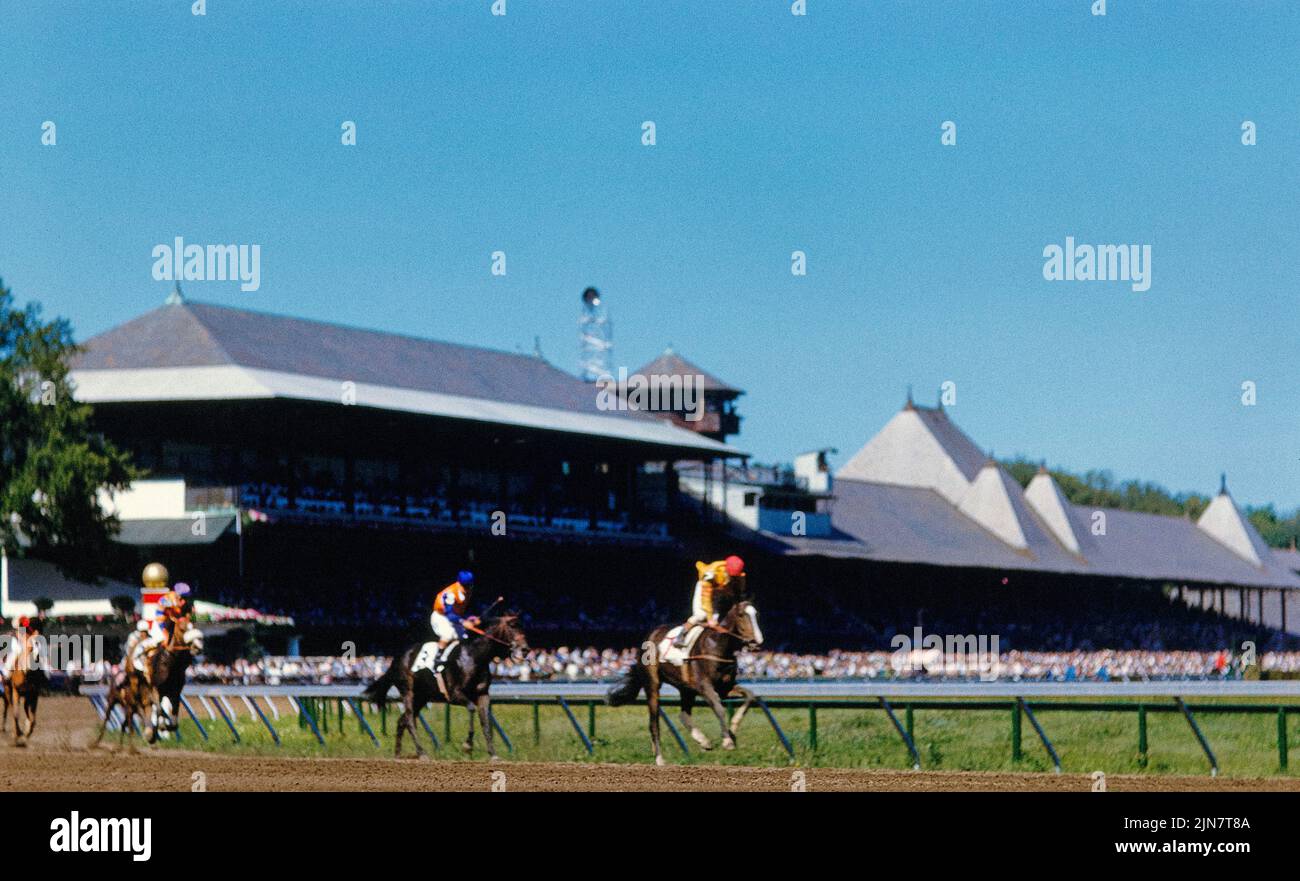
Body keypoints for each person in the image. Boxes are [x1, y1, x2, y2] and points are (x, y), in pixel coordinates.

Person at [674, 555, 745, 648]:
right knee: (701, 615)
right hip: (704, 589)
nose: (733, 577)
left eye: (734, 576)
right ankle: (680, 636)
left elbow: (739, 591)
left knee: (717, 618)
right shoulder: (712, 574)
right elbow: (706, 599)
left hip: (720, 590)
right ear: (726, 569)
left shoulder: (739, 575)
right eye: (731, 575)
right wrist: (710, 618)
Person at [430, 571, 479, 659]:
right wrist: (463, 621)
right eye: (466, 586)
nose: (469, 588)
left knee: (464, 636)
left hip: (454, 617)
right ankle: (437, 660)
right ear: (460, 583)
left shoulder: (467, 592)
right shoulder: (451, 593)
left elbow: (461, 610)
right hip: (441, 617)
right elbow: (449, 614)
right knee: (448, 634)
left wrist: (471, 618)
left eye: (470, 585)